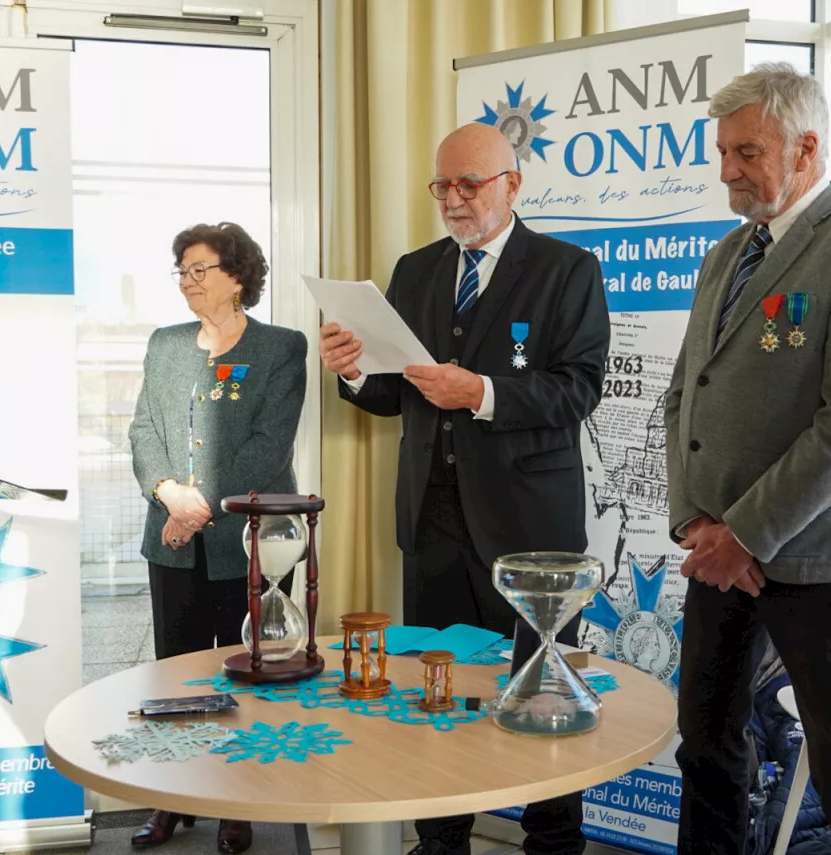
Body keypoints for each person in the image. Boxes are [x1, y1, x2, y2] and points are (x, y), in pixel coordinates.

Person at [319, 122, 609, 855]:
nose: (452, 199)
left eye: (467, 184)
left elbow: (578, 389)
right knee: (433, 696)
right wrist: (352, 368)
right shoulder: (414, 270)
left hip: (529, 531)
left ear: (512, 183)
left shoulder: (567, 268)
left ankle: (552, 842)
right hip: (432, 521)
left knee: (542, 695)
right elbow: (393, 395)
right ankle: (440, 840)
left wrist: (479, 391)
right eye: (440, 186)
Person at [665, 63, 831, 855]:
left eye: (747, 153)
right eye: (723, 152)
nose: (726, 171)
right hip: (718, 552)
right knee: (705, 743)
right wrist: (698, 522)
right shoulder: (725, 255)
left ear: (805, 148)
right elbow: (683, 398)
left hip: (811, 556)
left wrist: (748, 534)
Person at [128, 222, 308, 854]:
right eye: (181, 270)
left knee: (241, 671)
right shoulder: (166, 343)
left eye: (200, 269)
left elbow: (268, 447)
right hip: (171, 538)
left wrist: (197, 505)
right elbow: (143, 432)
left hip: (247, 540)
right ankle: (171, 801)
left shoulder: (282, 347)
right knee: (173, 672)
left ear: (238, 277)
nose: (187, 281)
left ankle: (237, 803)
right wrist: (168, 495)